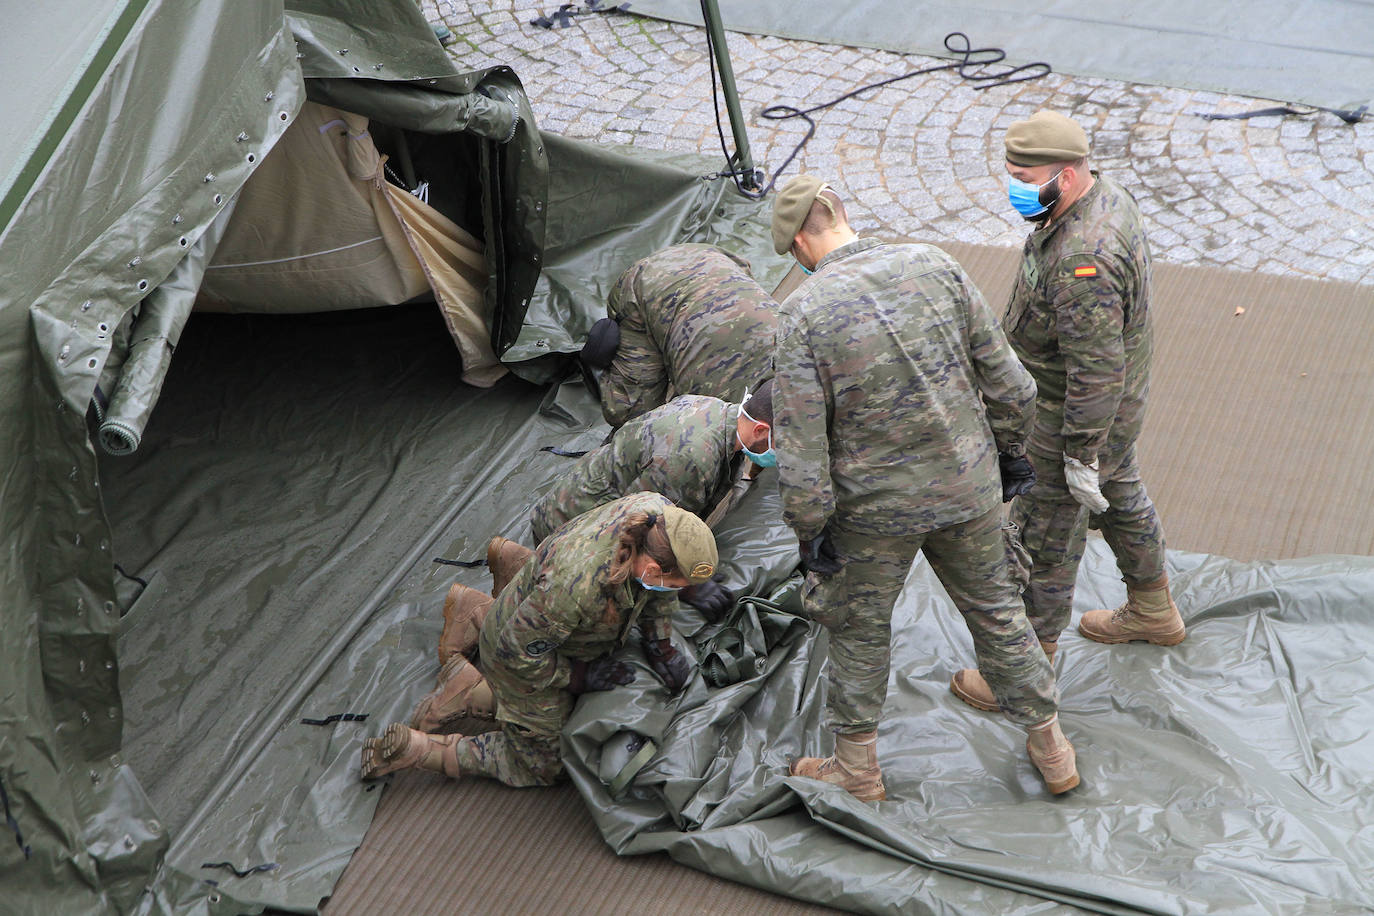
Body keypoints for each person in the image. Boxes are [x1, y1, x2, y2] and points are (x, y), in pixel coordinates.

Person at [769, 175, 1076, 800]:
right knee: (999, 614)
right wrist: (1009, 453)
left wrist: (812, 534)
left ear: (801, 241)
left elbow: (801, 451)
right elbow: (1015, 387)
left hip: (873, 514)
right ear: (843, 215)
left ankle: (857, 771)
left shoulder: (802, 315)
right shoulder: (935, 266)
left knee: (858, 628)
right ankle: (1053, 748)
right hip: (968, 489)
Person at [950, 110, 1185, 711]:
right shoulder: (1098, 200)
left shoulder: (1085, 259)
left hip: (1069, 415)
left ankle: (1024, 675)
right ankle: (1154, 609)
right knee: (1121, 488)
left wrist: (1079, 452)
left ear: (1070, 175)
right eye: (1011, 175)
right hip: (1110, 408)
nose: (1015, 189)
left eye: (1026, 178)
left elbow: (1094, 370)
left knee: (1046, 537)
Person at [360, 492, 717, 787]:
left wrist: (661, 645)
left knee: (588, 702)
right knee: (543, 765)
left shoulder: (661, 519)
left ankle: (478, 692)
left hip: (559, 631)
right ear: (653, 570)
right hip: (516, 653)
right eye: (675, 585)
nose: (674, 593)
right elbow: (516, 652)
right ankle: (426, 747)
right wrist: (578, 677)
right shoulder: (574, 587)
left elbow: (657, 594)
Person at [442, 384, 779, 664]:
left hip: (590, 504)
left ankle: (518, 563)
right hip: (576, 524)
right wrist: (687, 585)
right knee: (592, 631)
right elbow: (643, 540)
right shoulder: (690, 460)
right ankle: (479, 613)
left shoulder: (718, 412)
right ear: (761, 429)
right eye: (782, 444)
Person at [583, 243, 778, 430]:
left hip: (714, 257)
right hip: (644, 286)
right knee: (634, 417)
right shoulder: (713, 414)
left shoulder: (800, 356)